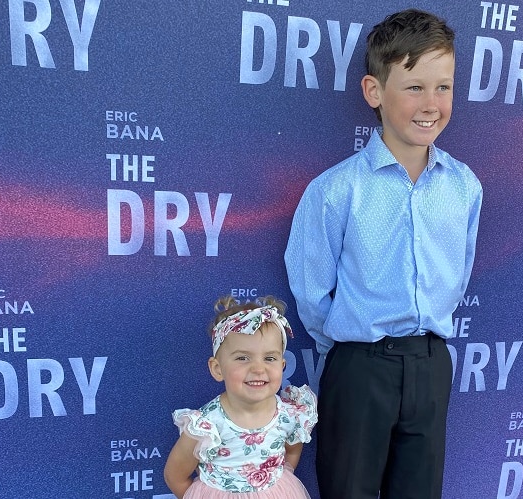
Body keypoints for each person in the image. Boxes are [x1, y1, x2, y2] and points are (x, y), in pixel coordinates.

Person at [284, 8, 482, 499]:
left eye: (444, 86)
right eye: (414, 87)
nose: (431, 103)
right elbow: (312, 291)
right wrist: (353, 349)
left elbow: (458, 275)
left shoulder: (463, 186)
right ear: (375, 91)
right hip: (360, 366)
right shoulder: (336, 190)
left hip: (431, 364)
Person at [163, 295, 317, 498]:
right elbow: (175, 475)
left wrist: (278, 483)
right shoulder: (207, 424)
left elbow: (293, 451)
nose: (258, 368)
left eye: (269, 358)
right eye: (243, 358)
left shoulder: (290, 414)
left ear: (282, 366)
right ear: (218, 369)